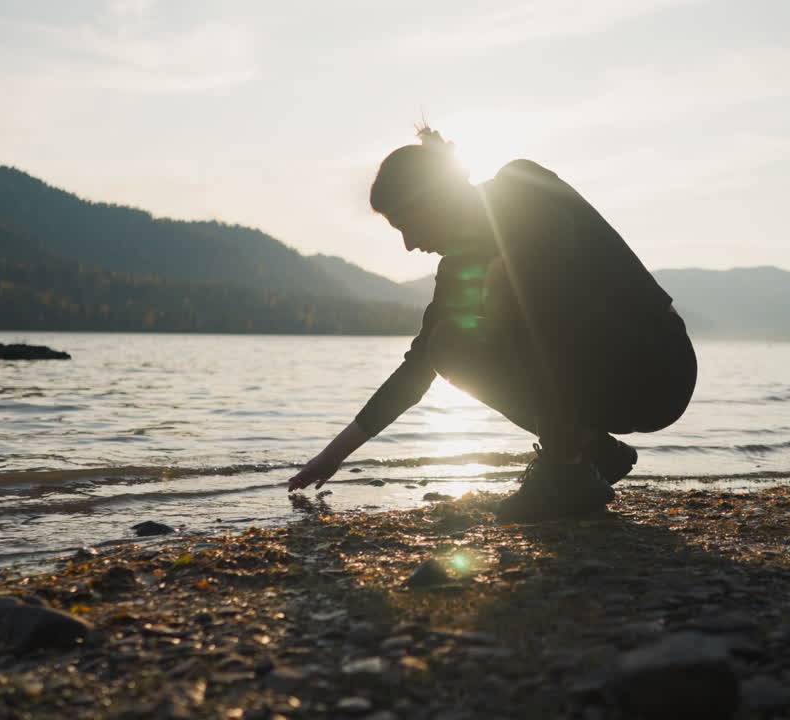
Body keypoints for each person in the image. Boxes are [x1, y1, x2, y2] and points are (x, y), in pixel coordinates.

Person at [286, 127, 697, 522]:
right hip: (601, 386)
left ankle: (562, 466)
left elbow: (555, 256)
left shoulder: (519, 186)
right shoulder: (457, 268)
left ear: (431, 200)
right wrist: (333, 455)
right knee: (446, 343)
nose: (409, 244)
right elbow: (416, 370)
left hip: (656, 365)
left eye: (406, 225)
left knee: (509, 278)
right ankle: (594, 454)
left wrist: (499, 278)